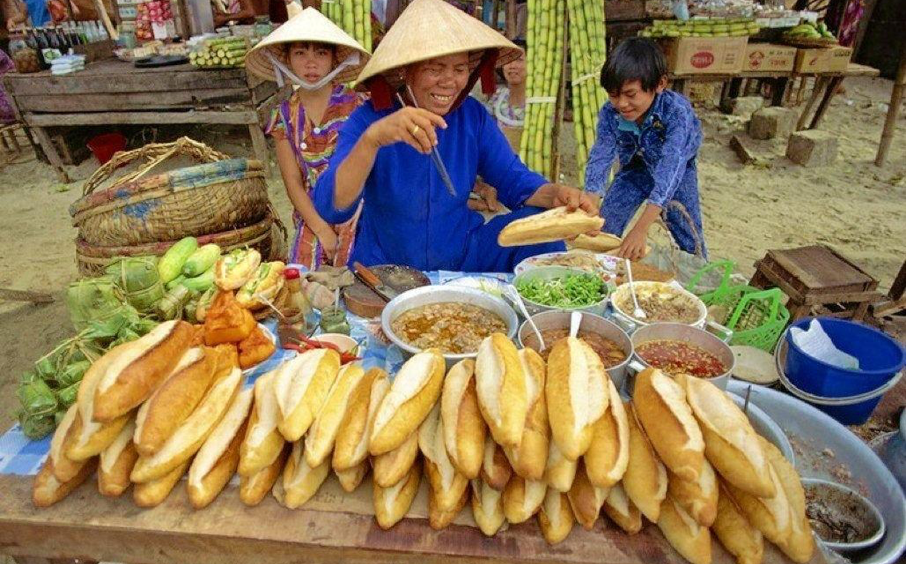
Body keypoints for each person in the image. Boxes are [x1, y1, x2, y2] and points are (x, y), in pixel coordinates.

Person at [313, 0, 597, 273]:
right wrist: (372, 140)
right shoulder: (369, 119)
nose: (450, 81)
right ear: (404, 70)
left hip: (463, 254)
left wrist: (557, 195)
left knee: (541, 233)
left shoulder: (470, 116)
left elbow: (513, 180)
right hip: (387, 264)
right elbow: (331, 207)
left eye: (460, 69)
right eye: (435, 69)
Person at [246, 8, 370, 270]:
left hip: (359, 209)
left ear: (335, 60)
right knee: (305, 279)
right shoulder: (283, 117)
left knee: (358, 277)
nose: (311, 63)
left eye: (321, 53)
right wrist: (322, 230)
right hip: (312, 212)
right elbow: (293, 182)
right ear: (288, 60)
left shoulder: (357, 105)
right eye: (300, 53)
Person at [585, 37, 706, 260]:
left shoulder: (676, 112)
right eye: (613, 95)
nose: (621, 103)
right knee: (603, 227)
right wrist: (590, 204)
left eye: (631, 94)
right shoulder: (610, 113)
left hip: (677, 172)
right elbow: (601, 156)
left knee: (689, 235)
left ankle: (699, 282)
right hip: (636, 166)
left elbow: (672, 167)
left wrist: (641, 229)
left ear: (660, 84)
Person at [485, 36, 525, 129]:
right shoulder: (498, 97)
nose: (512, 66)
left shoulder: (538, 102)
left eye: (519, 60)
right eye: (508, 60)